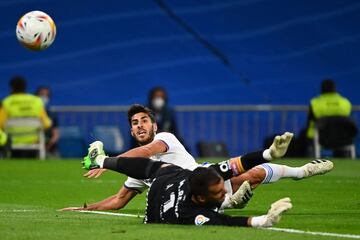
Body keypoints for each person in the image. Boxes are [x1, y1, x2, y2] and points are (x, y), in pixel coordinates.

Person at [61, 104, 333, 212]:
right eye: (135, 122)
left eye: (145, 120)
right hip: (187, 195)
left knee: (253, 173)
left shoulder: (164, 138)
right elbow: (119, 200)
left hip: (207, 176)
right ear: (131, 130)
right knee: (252, 177)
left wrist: (107, 161)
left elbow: (144, 153)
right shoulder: (137, 171)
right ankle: (227, 203)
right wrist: (86, 209)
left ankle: (301, 171)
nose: (140, 125)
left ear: (154, 126)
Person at [82, 141, 293, 227]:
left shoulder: (205, 177)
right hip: (156, 211)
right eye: (219, 192)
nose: (223, 192)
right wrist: (264, 220)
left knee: (158, 168)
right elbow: (225, 222)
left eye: (222, 189)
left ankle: (100, 160)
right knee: (154, 168)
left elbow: (236, 164)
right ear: (201, 199)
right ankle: (100, 160)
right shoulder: (189, 213)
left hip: (170, 179)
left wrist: (268, 153)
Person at [0, 76, 52, 158]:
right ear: (25, 87)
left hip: (12, 140)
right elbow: (47, 124)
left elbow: (1, 124)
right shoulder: (36, 101)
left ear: (11, 87)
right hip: (34, 140)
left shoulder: (7, 102)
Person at [306, 79, 352, 156]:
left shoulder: (315, 103)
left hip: (322, 139)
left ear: (321, 89)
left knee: (308, 137)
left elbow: (310, 122)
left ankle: (310, 159)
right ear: (334, 88)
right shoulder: (345, 102)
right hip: (343, 139)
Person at [35, 86, 60, 158]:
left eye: (46, 95)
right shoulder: (31, 114)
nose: (44, 97)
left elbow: (56, 135)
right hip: (32, 145)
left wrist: (46, 147)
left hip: (49, 147)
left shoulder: (51, 114)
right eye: (42, 95)